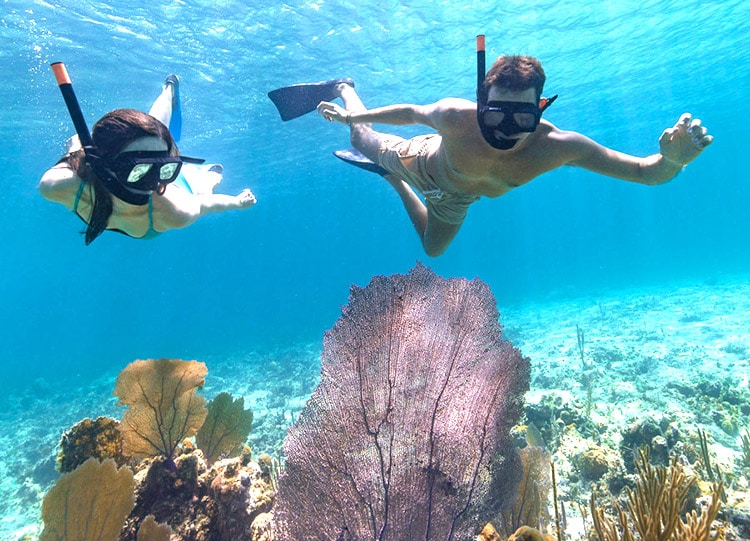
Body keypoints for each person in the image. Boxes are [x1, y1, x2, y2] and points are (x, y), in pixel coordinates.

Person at [309, 54, 712, 257]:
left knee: (433, 251)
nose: (505, 128)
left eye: (521, 117)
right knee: (363, 140)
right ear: (482, 104)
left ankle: (389, 179)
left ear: (540, 109)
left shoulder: (560, 147)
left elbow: (644, 172)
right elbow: (411, 113)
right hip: (421, 161)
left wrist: (673, 161)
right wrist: (351, 113)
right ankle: (345, 85)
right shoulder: (455, 115)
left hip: (456, 197)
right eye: (497, 114)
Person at [40, 75, 256, 245]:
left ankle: (169, 92)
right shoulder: (57, 185)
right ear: (102, 165)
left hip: (182, 186)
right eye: (138, 170)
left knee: (205, 185)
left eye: (165, 165)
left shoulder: (173, 210)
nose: (153, 184)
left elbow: (206, 203)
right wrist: (75, 148)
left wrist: (238, 202)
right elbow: (77, 155)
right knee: (150, 137)